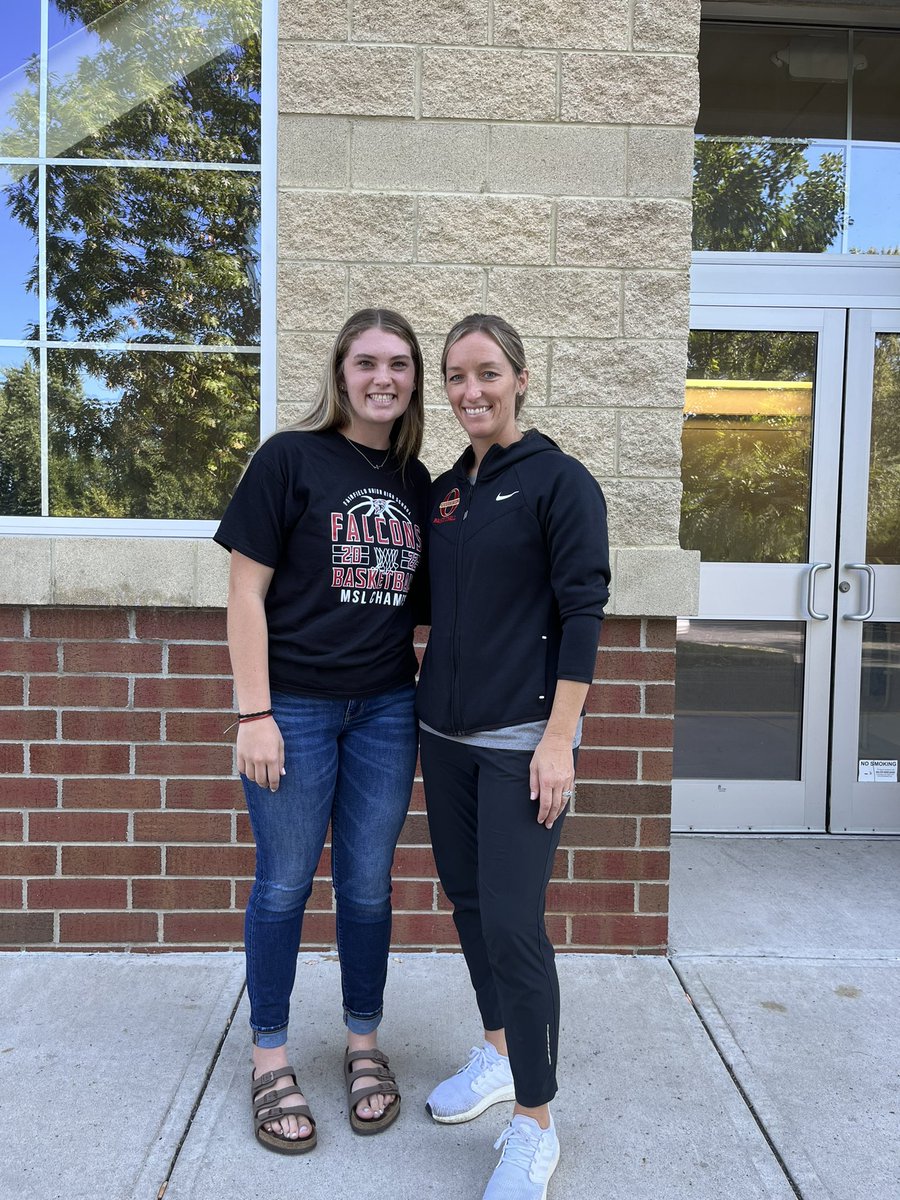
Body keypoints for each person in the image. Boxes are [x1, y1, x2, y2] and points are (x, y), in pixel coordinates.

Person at [214, 308, 430, 1153]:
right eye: (367, 361)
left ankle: (362, 1043)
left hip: (387, 709)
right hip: (294, 709)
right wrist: (254, 713)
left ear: (413, 380)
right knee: (283, 884)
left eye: (399, 363)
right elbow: (245, 593)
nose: (383, 377)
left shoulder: (415, 481)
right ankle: (270, 1056)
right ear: (341, 371)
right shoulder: (289, 458)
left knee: (368, 886)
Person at [416, 314, 610, 1198]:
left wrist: (559, 739)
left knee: (513, 925)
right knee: (467, 903)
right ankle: (497, 1053)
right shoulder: (446, 493)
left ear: (521, 379)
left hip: (524, 747)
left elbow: (582, 614)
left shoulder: (561, 483)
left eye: (487, 373)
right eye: (456, 377)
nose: (471, 391)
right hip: (444, 740)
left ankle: (536, 1121)